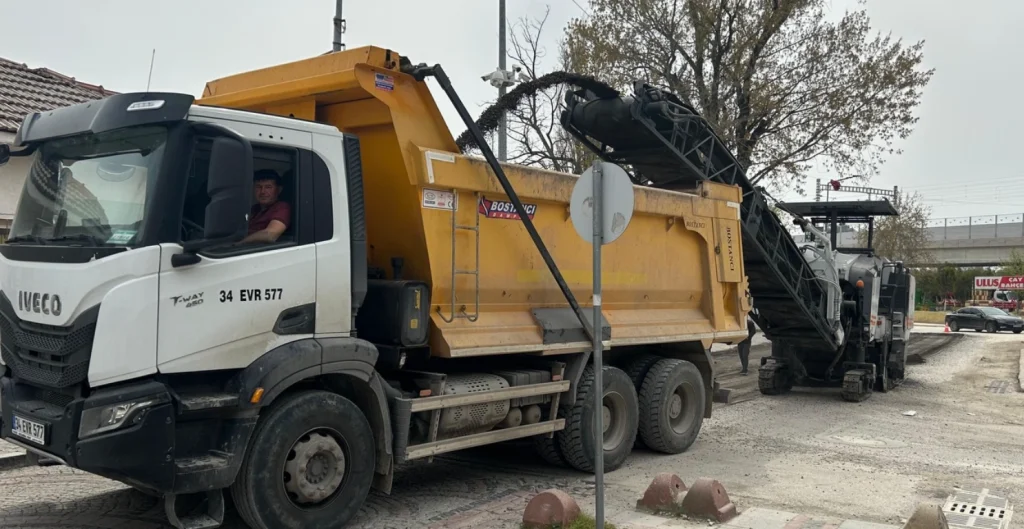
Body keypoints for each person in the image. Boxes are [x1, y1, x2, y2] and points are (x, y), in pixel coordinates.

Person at [242, 169, 290, 243]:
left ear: (279, 190)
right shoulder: (254, 209)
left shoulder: (282, 207)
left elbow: (270, 235)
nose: (263, 192)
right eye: (258, 187)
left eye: (268, 187)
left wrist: (239, 243)